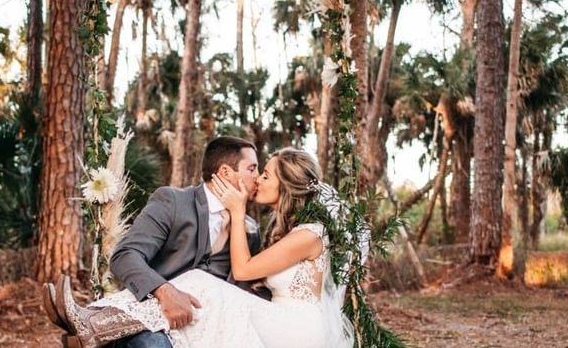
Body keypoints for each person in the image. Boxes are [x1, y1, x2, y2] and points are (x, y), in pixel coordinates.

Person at [47, 146, 354, 348]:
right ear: (223, 173)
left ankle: (96, 324)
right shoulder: (176, 202)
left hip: (294, 330)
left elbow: (243, 270)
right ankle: (95, 325)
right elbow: (126, 256)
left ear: (287, 185)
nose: (258, 180)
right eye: (255, 171)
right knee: (197, 286)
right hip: (273, 319)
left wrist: (236, 212)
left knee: (199, 282)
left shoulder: (307, 233)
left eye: (265, 174)